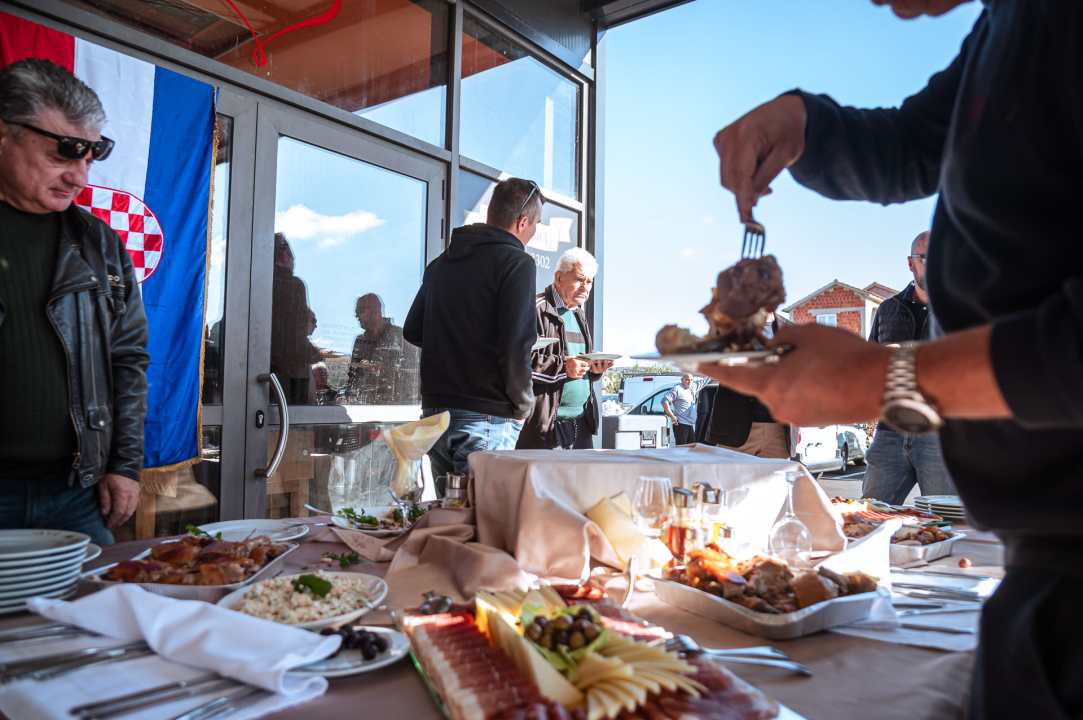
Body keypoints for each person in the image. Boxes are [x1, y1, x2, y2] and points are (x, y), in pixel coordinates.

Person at [703, 3, 1083, 717]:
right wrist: (803, 122)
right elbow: (913, 141)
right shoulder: (1006, 24)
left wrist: (888, 378)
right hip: (1039, 569)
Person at [0, 59, 149, 544]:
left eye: (92, 155)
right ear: (5, 133)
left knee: (97, 617)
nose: (79, 176)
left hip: (75, 491)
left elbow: (128, 360)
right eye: (65, 152)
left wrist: (124, 465)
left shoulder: (100, 242)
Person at [404, 178, 540, 489]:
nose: (534, 232)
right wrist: (522, 406)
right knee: (483, 526)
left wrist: (457, 340)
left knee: (448, 523)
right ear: (522, 222)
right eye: (536, 224)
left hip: (435, 415)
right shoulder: (517, 262)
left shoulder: (441, 263)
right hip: (485, 419)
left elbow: (413, 329)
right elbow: (516, 343)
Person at [862, 231, 955, 503]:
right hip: (889, 433)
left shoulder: (960, 313)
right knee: (868, 516)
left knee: (942, 522)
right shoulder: (887, 309)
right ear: (910, 262)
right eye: (926, 258)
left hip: (938, 436)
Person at [517, 247, 614, 450]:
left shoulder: (579, 314)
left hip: (581, 424)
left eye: (589, 281)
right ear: (558, 277)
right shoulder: (535, 308)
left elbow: (578, 365)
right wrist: (563, 367)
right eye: (579, 279)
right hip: (545, 427)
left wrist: (594, 370)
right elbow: (517, 363)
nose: (585, 287)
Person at [704, 313, 796, 458]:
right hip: (736, 426)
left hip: (780, 433)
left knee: (774, 481)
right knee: (732, 481)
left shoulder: (794, 330)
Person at [269, 233, 319, 404]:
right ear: (284, 254)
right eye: (293, 258)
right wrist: (315, 354)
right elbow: (294, 339)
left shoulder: (254, 282)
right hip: (289, 381)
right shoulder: (293, 285)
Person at [344, 293, 419, 405]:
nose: (357, 316)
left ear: (374, 310)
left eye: (359, 311)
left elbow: (414, 371)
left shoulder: (400, 336)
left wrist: (386, 370)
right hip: (363, 407)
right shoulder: (360, 340)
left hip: (394, 407)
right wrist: (347, 397)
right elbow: (353, 375)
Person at [662, 374, 697, 445]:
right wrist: (672, 416)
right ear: (682, 380)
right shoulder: (677, 389)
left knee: (692, 449)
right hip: (681, 424)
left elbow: (703, 382)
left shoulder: (692, 388)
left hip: (690, 425)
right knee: (681, 450)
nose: (689, 382)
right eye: (687, 380)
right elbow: (664, 401)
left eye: (691, 380)